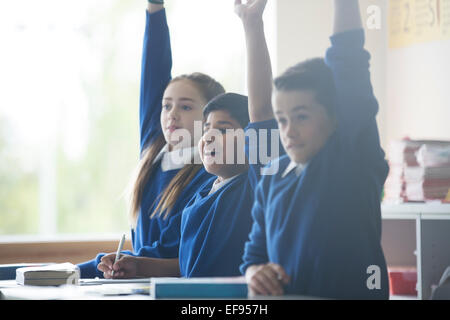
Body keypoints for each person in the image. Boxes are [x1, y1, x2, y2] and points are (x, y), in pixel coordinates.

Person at [101, 0, 283, 279]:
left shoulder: (255, 183)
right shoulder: (199, 198)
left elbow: (262, 112)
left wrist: (252, 25)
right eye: (208, 127)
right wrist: (139, 265)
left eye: (223, 129)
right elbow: (185, 269)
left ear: (250, 141)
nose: (210, 135)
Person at [240, 0, 390, 299]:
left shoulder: (353, 157)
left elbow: (349, 59)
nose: (288, 131)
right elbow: (254, 257)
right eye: (282, 120)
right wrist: (255, 273)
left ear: (335, 118)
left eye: (302, 116)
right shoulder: (272, 176)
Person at [77, 1, 224, 279]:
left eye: (186, 106)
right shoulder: (154, 149)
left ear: (209, 119)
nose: (172, 115)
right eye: (167, 106)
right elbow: (153, 70)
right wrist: (155, 7)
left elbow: (163, 253)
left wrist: (80, 270)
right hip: (135, 283)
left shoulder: (209, 175)